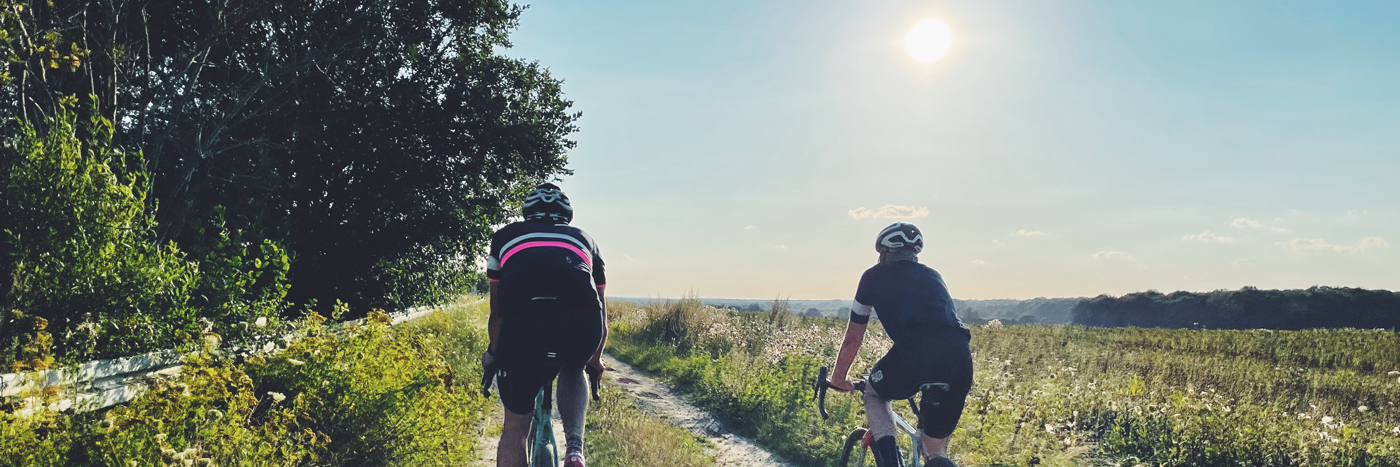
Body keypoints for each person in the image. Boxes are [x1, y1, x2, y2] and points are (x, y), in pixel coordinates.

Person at [481, 183, 607, 467]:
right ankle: (574, 448)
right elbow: (601, 307)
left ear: (527, 213)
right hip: (581, 322)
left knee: (514, 428)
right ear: (567, 215)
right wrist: (595, 358)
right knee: (574, 368)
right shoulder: (585, 239)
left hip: (523, 327)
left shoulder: (504, 237)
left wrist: (494, 353)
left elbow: (497, 311)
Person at [829, 222, 973, 467]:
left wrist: (839, 378)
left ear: (884, 251)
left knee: (874, 394)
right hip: (959, 357)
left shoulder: (872, 276)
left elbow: (854, 337)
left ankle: (889, 462)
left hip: (915, 352)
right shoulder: (933, 275)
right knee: (935, 450)